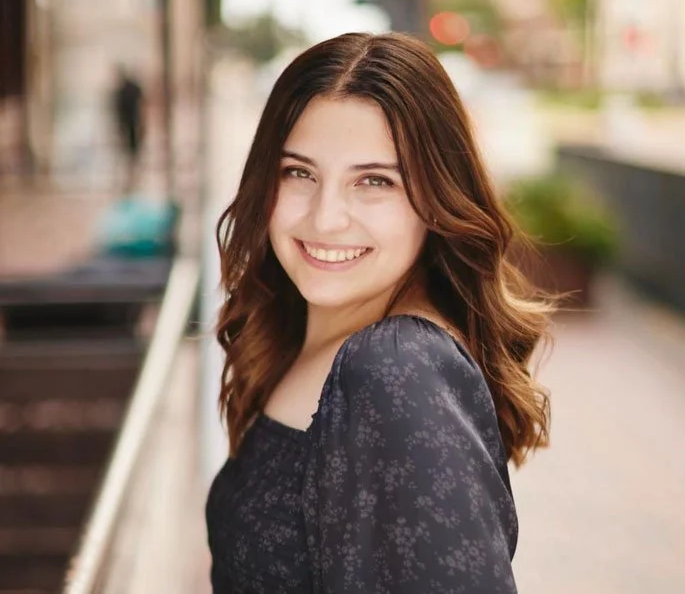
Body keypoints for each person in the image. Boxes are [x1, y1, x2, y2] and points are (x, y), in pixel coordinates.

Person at [206, 32, 552, 593]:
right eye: (300, 172)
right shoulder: (303, 331)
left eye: (374, 181)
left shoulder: (396, 367)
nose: (326, 218)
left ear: (436, 198)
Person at [111, 67, 144, 194]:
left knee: (131, 151)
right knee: (130, 151)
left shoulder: (123, 90)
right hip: (130, 124)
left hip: (130, 124)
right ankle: (130, 174)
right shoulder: (123, 90)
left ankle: (132, 174)